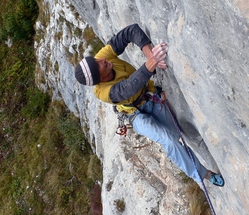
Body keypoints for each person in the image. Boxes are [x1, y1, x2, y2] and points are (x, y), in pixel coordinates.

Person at [75, 24, 224, 187]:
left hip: (150, 96)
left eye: (96, 60)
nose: (101, 60)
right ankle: (203, 176)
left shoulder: (103, 57)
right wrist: (152, 62)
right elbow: (127, 88)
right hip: (136, 115)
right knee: (168, 140)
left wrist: (149, 53)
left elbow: (130, 31)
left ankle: (194, 169)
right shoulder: (102, 92)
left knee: (175, 136)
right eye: (98, 65)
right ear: (99, 79)